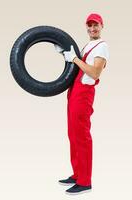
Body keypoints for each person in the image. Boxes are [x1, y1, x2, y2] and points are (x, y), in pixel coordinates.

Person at [55, 13, 109, 195]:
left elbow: (94, 73)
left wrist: (75, 59)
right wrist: (65, 55)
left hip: (84, 94)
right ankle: (77, 174)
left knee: (82, 137)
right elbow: (78, 67)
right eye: (90, 25)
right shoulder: (88, 45)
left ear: (102, 26)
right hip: (74, 91)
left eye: (96, 25)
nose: (92, 28)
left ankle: (85, 181)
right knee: (73, 134)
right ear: (86, 27)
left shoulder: (102, 47)